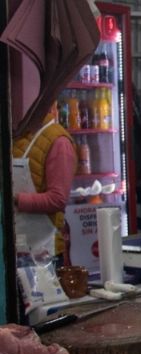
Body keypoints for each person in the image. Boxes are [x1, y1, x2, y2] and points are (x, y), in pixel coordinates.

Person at [11, 103, 76, 262]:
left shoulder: (59, 142)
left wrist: (15, 200)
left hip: (45, 251)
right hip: (15, 247)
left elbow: (58, 199)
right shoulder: (17, 136)